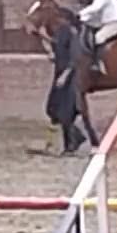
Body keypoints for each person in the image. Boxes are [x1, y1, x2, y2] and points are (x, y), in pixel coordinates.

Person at [45, 13, 88, 155]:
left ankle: (71, 144)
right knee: (53, 107)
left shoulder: (71, 33)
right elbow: (56, 48)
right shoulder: (60, 32)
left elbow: (74, 57)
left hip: (69, 77)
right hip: (60, 73)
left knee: (66, 111)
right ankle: (76, 138)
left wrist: (65, 75)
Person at [78, 0, 117, 73]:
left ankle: (98, 63)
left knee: (98, 38)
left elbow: (95, 8)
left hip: (113, 23)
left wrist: (81, 14)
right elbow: (94, 12)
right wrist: (82, 18)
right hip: (106, 23)